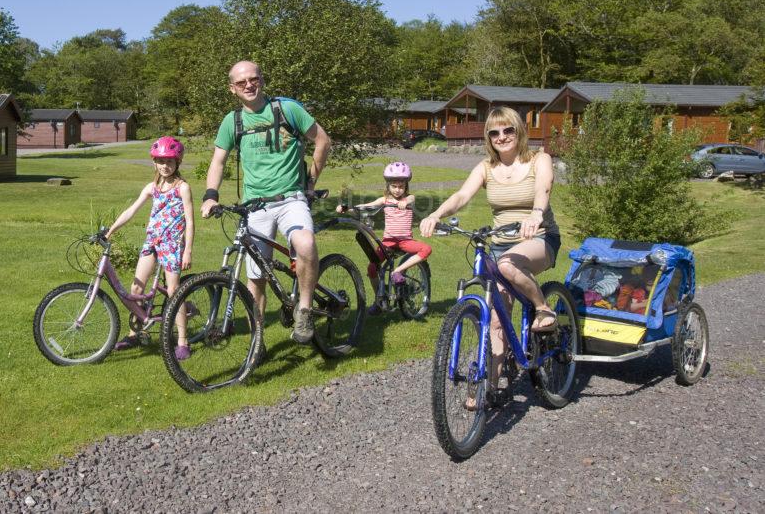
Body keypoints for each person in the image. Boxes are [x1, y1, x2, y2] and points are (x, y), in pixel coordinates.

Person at [419, 107, 561, 397]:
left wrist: (535, 215)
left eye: (508, 129)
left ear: (519, 130)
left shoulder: (539, 159)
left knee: (508, 265)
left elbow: (543, 189)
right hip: (500, 241)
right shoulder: (486, 167)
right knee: (497, 317)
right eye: (494, 132)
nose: (502, 136)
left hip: (540, 238)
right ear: (488, 137)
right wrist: (436, 214)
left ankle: (543, 309)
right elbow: (461, 196)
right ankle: (489, 388)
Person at [200, 60, 331, 351]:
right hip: (254, 206)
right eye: (241, 82)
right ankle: (257, 341)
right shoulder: (232, 121)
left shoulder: (287, 109)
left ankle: (305, 311)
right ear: (232, 88)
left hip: (290, 199)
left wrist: (310, 182)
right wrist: (210, 194)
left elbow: (322, 141)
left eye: (253, 79)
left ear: (262, 80)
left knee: (306, 244)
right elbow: (218, 161)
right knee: (256, 278)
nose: (249, 85)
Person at [107, 136, 194, 359]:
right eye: (161, 161)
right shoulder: (152, 187)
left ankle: (183, 340)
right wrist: (110, 231)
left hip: (173, 244)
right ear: (154, 162)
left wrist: (188, 250)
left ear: (177, 162)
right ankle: (135, 334)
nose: (165, 166)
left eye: (170, 162)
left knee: (174, 292)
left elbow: (191, 221)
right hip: (152, 242)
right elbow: (131, 211)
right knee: (136, 290)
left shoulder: (182, 188)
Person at [336, 161, 432, 315]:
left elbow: (411, 199)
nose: (397, 190)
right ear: (388, 186)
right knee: (372, 268)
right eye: (394, 186)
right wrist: (347, 208)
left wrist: (404, 202)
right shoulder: (384, 201)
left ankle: (398, 271)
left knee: (426, 249)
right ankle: (379, 300)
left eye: (401, 187)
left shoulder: (409, 198)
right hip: (388, 242)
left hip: (405, 241)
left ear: (406, 187)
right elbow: (367, 206)